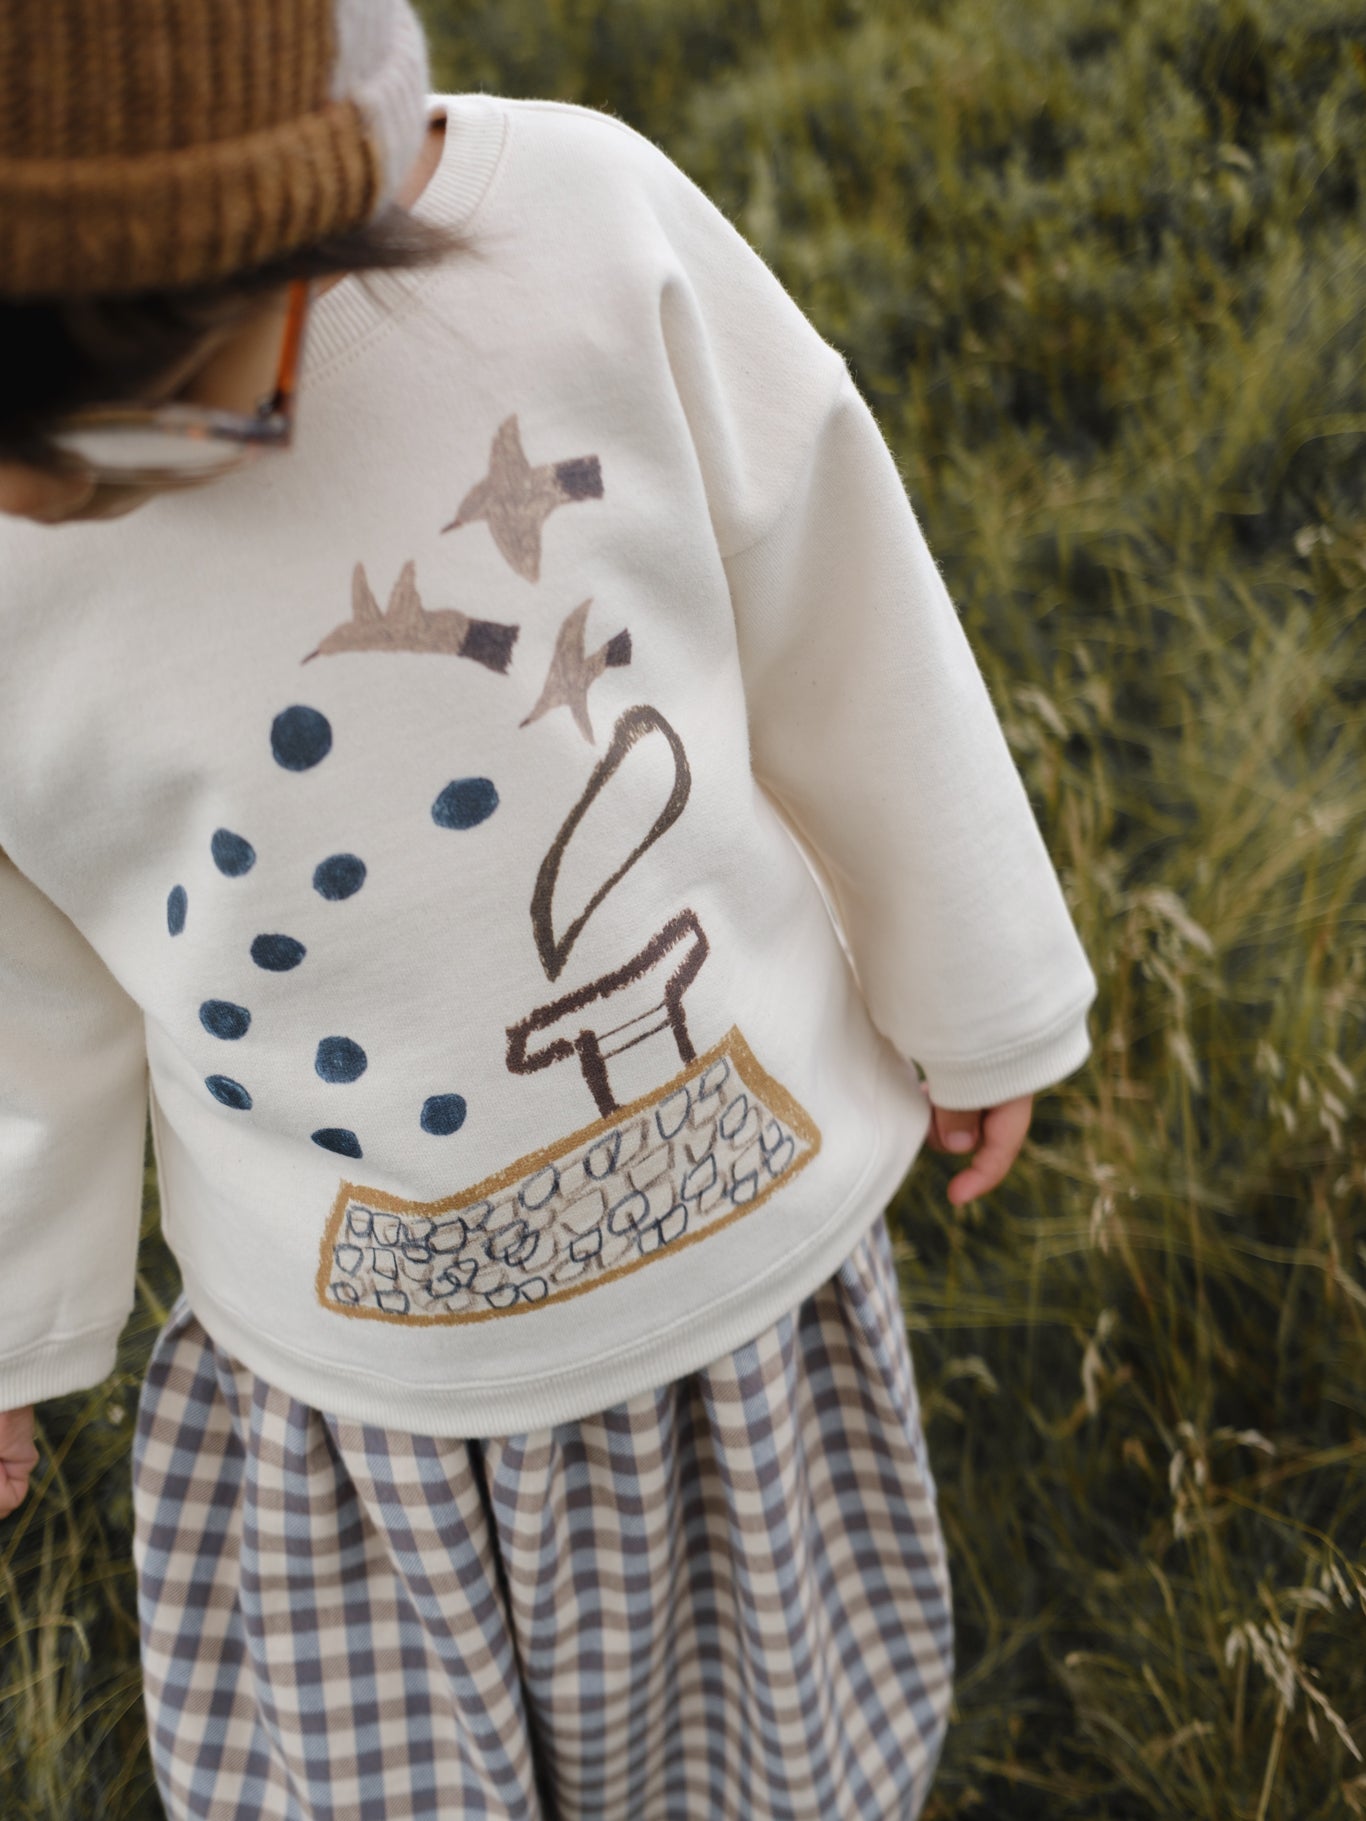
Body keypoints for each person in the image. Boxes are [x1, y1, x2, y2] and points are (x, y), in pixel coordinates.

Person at [0, 3, 1097, 1816]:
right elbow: (21, 967)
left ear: (301, 220)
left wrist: (971, 975)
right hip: (344, 1399)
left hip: (728, 1305)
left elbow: (840, 612)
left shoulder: (585, 235)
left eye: (78, 414)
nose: (29, 492)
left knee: (764, 1769)